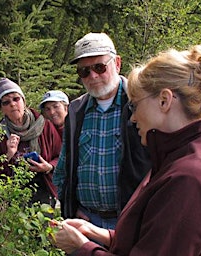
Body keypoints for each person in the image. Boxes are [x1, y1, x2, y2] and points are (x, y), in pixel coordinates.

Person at [53, 45, 201, 255]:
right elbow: (152, 238)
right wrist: (102, 235)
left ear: (164, 101)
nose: (133, 117)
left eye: (136, 105)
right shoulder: (174, 160)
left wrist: (82, 248)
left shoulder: (190, 178)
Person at [53, 32, 150, 229]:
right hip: (86, 221)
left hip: (133, 222)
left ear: (117, 63)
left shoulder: (141, 104)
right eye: (84, 71)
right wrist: (71, 209)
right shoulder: (75, 110)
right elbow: (63, 169)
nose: (93, 76)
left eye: (99, 67)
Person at [0, 78, 62, 207]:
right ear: (1, 109)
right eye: (6, 102)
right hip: (12, 191)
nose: (12, 104)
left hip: (43, 186)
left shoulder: (44, 125)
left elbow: (61, 155)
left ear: (24, 101)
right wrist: (8, 154)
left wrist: (49, 167)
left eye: (16, 99)